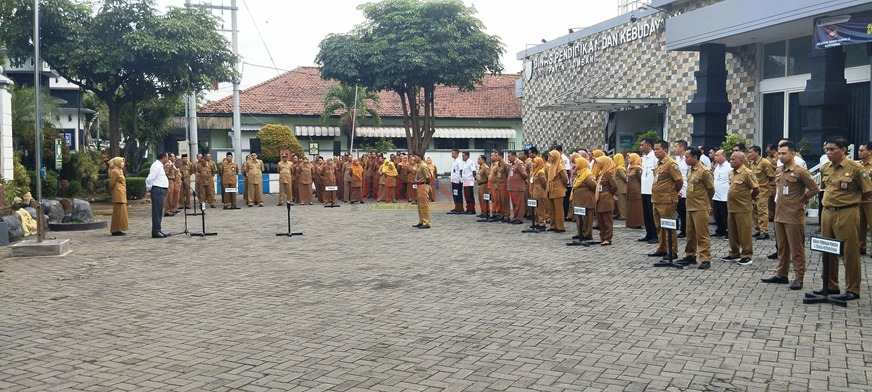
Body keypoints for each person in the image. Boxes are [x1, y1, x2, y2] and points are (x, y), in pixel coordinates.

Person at [812, 137, 872, 301]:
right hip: (827, 212)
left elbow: (867, 191)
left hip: (847, 212)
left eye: (832, 149)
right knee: (828, 249)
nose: (829, 152)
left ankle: (853, 289)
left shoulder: (855, 168)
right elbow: (825, 189)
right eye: (827, 150)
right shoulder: (826, 168)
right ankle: (831, 285)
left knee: (849, 251)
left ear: (844, 150)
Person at [761, 141, 818, 289]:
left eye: (784, 153)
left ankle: (799, 277)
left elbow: (815, 189)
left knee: (796, 248)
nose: (781, 156)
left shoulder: (801, 171)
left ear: (793, 153)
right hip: (780, 214)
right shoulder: (779, 170)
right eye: (779, 153)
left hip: (794, 215)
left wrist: (803, 199)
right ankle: (782, 274)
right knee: (782, 247)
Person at [678, 149, 715, 269]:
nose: (685, 159)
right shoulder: (690, 171)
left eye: (687, 157)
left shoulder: (704, 171)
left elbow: (711, 190)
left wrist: (705, 202)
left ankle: (705, 258)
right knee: (690, 233)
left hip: (700, 207)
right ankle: (690, 255)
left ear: (695, 157)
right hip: (690, 206)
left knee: (702, 234)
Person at [721, 151, 759, 265]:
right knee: (732, 232)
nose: (730, 161)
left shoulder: (747, 173)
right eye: (730, 159)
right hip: (731, 207)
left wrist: (750, 198)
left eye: (733, 159)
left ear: (741, 161)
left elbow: (756, 189)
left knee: (744, 233)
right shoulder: (732, 173)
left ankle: (747, 255)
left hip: (743, 207)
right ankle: (734, 253)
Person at [647, 141, 683, 259]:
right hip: (657, 199)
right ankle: (662, 248)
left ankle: (672, 251)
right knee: (659, 226)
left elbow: (679, 181)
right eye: (655, 149)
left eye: (658, 149)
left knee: (669, 226)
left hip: (667, 200)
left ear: (666, 150)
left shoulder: (671, 164)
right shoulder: (659, 163)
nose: (655, 152)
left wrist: (673, 193)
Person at [749, 146, 775, 240]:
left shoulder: (765, 163)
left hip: (763, 190)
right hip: (754, 190)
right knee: (754, 211)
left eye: (751, 152)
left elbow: (771, 176)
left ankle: (765, 232)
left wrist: (766, 185)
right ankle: (758, 230)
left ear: (757, 152)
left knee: (762, 211)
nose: (749, 154)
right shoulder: (752, 163)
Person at [592, 156, 618, 245]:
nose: (597, 165)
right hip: (599, 199)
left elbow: (614, 186)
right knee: (600, 220)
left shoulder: (609, 173)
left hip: (606, 199)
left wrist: (609, 194)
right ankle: (602, 237)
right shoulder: (601, 173)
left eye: (599, 163)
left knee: (607, 220)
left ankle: (608, 238)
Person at [145, 152, 170, 238]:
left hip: (161, 190)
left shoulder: (159, 166)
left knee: (159, 212)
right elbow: (149, 179)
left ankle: (158, 229)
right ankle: (155, 231)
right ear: (164, 157)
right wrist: (149, 188)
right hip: (158, 190)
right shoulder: (156, 166)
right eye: (167, 157)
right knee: (157, 212)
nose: (168, 159)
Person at [571, 157, 596, 240]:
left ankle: (588, 234)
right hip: (578, 201)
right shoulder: (579, 173)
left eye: (577, 163)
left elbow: (594, 186)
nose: (575, 165)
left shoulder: (588, 175)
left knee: (587, 218)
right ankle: (580, 232)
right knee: (579, 217)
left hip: (587, 201)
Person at [639, 138, 658, 243]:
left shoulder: (654, 157)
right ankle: (649, 233)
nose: (641, 147)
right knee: (646, 214)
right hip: (644, 190)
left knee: (652, 214)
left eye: (643, 145)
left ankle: (655, 235)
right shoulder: (644, 158)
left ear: (649, 145)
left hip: (652, 190)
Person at [546, 150, 569, 232]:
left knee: (559, 210)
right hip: (551, 190)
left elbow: (565, 179)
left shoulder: (560, 167)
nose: (549, 158)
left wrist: (562, 185)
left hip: (558, 190)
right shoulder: (552, 166)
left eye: (551, 156)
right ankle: (553, 225)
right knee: (552, 210)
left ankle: (560, 226)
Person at [858, 142, 872, 256]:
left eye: (862, 150)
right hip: (859, 199)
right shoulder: (859, 165)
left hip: (870, 199)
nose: (859, 152)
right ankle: (861, 246)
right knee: (859, 224)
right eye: (859, 150)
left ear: (870, 152)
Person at [712, 150, 730, 238]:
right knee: (717, 214)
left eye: (717, 155)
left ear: (724, 156)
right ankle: (720, 230)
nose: (715, 157)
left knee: (725, 215)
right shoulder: (717, 166)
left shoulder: (728, 167)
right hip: (716, 195)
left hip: (724, 196)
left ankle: (728, 231)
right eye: (715, 156)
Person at [673, 141, 689, 238]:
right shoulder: (676, 159)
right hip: (678, 189)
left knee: (685, 211)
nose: (674, 148)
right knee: (680, 211)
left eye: (676, 146)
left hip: (686, 189)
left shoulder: (687, 159)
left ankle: (686, 230)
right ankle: (683, 229)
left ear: (682, 147)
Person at [108, 157, 128, 236]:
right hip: (118, 193)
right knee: (118, 212)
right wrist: (111, 191)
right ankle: (116, 229)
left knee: (121, 212)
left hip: (121, 193)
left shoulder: (120, 171)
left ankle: (119, 228)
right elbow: (111, 184)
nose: (123, 164)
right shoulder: (115, 171)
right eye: (121, 162)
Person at [506, 151, 528, 224]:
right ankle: (515, 217)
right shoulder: (512, 164)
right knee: (514, 203)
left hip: (518, 187)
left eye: (509, 156)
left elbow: (524, 174)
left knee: (519, 203)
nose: (508, 158)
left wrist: (522, 182)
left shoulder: (519, 163)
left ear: (514, 156)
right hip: (512, 187)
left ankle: (519, 218)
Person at [412, 155, 432, 229]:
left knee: (424, 204)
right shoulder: (418, 165)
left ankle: (426, 222)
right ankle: (421, 221)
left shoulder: (423, 166)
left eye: (415, 157)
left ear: (420, 157)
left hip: (423, 185)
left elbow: (428, 177)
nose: (414, 158)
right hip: (419, 185)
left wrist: (427, 185)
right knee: (420, 205)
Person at [530, 156, 548, 230]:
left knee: (540, 209)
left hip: (540, 192)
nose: (533, 164)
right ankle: (537, 222)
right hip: (535, 192)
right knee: (536, 209)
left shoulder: (541, 172)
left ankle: (542, 223)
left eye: (535, 162)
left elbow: (544, 183)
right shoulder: (535, 171)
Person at [613, 154, 628, 221]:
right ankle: (619, 214)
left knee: (621, 203)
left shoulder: (620, 168)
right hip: (619, 187)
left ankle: (623, 215)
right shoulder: (618, 167)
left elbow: (625, 177)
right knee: (619, 202)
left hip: (621, 187)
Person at [448, 149, 464, 213]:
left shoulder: (458, 161)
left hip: (458, 181)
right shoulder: (454, 161)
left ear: (456, 154)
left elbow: (461, 170)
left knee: (458, 195)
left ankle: (460, 208)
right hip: (454, 181)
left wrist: (460, 178)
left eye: (453, 153)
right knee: (455, 194)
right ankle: (456, 207)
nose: (451, 154)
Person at [476, 155, 490, 219]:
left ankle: (486, 212)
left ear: (483, 160)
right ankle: (482, 211)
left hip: (484, 185)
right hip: (480, 185)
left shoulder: (485, 168)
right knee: (480, 199)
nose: (478, 160)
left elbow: (488, 177)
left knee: (484, 199)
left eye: (479, 159)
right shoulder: (480, 167)